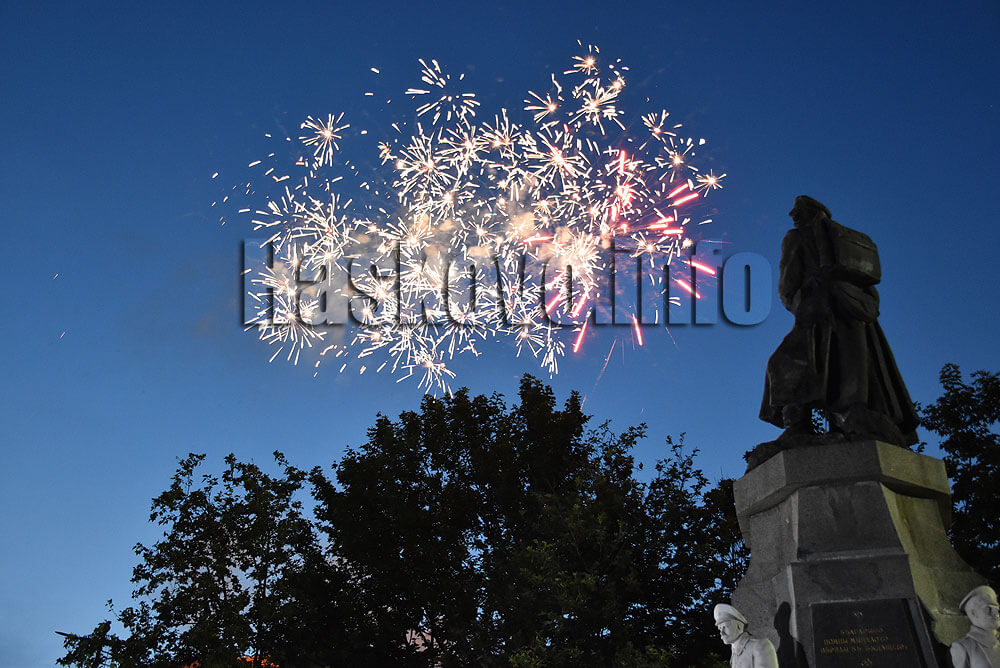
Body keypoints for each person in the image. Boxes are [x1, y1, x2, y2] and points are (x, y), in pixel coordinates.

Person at [759, 195, 919, 446]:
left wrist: (796, 302)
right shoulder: (841, 238)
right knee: (848, 368)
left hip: (818, 311)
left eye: (797, 212)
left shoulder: (796, 237)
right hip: (853, 312)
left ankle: (798, 426)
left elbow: (788, 282)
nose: (794, 217)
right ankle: (840, 422)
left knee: (785, 363)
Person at [713, 603, 778, 668]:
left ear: (739, 627)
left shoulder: (760, 646)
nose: (722, 633)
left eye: (725, 627)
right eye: (720, 629)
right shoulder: (734, 653)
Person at [951, 585, 1000, 668]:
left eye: (996, 608)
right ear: (973, 613)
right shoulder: (963, 647)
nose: (996, 614)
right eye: (988, 609)